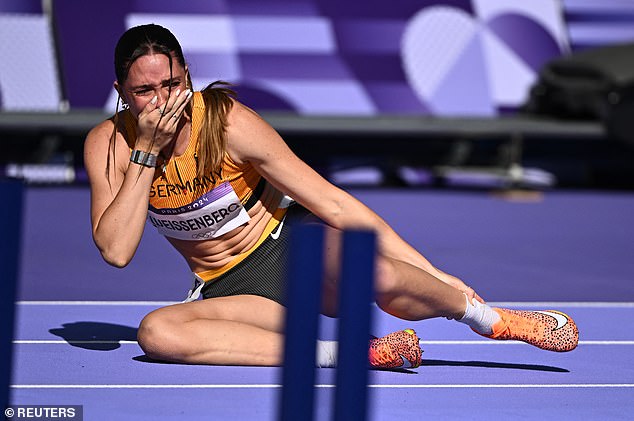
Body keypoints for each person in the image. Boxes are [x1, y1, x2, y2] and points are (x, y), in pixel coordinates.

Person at [84, 24, 578, 369]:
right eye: (146, 90)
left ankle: (491, 320)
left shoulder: (228, 121)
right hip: (232, 289)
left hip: (297, 250)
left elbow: (332, 202)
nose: (164, 99)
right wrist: (145, 154)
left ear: (187, 75)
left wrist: (432, 272)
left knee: (373, 267)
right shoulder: (108, 144)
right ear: (121, 92)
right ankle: (350, 354)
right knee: (156, 334)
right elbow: (116, 251)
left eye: (172, 83)